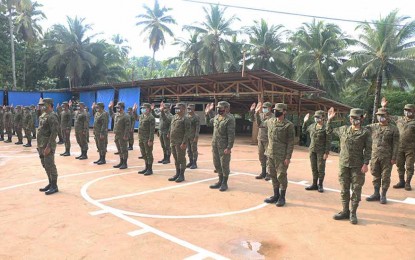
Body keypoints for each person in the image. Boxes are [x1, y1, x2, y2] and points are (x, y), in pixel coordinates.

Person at [327, 107, 372, 225]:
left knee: (356, 190)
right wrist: (329, 119)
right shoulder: (343, 129)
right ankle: (345, 211)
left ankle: (353, 213)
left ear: (361, 119)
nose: (353, 120)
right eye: (352, 118)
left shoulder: (365, 132)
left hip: (358, 166)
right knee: (344, 189)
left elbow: (368, 149)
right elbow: (329, 131)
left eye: (356, 118)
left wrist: (366, 163)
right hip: (344, 164)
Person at [365, 107, 399, 204]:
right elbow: (361, 128)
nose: (380, 117)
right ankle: (376, 194)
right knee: (375, 175)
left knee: (385, 176)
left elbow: (396, 144)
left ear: (387, 117)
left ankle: (383, 195)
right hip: (375, 155)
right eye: (379, 116)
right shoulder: (373, 127)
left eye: (382, 116)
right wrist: (362, 118)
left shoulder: (393, 129)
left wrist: (394, 157)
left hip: (387, 157)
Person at [263, 103, 295, 207]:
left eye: (278, 110)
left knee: (281, 176)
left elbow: (290, 143)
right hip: (270, 153)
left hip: (281, 156)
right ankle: (275, 195)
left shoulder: (288, 125)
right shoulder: (270, 121)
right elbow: (260, 124)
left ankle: (282, 197)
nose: (275, 111)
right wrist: (255, 113)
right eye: (275, 110)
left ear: (284, 111)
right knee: (273, 175)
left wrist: (288, 157)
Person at [382, 98, 415, 191]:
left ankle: (408, 183)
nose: (407, 112)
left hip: (411, 148)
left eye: (409, 110)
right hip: (399, 147)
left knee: (409, 166)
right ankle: (401, 181)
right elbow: (386, 116)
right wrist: (383, 107)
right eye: (405, 110)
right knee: (399, 165)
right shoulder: (399, 119)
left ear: (413, 111)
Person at [205, 101, 235, 192]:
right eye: (217, 108)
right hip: (215, 144)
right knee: (216, 163)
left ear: (226, 108)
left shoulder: (230, 119)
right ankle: (220, 180)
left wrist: (229, 147)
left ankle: (224, 182)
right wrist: (207, 114)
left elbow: (231, 134)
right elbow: (209, 123)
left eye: (220, 108)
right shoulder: (217, 117)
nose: (218, 109)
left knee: (224, 164)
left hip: (224, 146)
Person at [302, 110, 331, 192]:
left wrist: (326, 152)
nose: (316, 118)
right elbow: (304, 132)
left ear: (323, 118)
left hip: (321, 151)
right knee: (314, 167)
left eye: (318, 117)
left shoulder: (326, 128)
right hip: (312, 150)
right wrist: (304, 122)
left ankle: (320, 185)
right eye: (315, 117)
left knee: (320, 168)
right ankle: (314, 184)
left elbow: (328, 141)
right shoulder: (312, 126)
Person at [37, 98, 60, 195]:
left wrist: (49, 146)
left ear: (49, 105)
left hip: (47, 145)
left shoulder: (52, 116)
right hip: (41, 144)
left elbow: (54, 132)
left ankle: (54, 186)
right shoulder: (43, 115)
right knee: (45, 165)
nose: (42, 106)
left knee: (50, 165)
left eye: (43, 104)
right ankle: (50, 183)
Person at [249, 101, 274, 180]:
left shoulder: (272, 117)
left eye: (265, 108)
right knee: (261, 156)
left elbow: (261, 124)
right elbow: (252, 119)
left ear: (270, 108)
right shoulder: (260, 115)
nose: (264, 109)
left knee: (268, 156)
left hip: (268, 139)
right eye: (263, 108)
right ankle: (263, 172)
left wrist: (257, 114)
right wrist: (252, 111)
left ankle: (269, 173)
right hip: (260, 138)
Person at [168, 103, 190, 182]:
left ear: (183, 109)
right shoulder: (174, 117)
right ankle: (177, 173)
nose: (176, 109)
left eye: (178, 108)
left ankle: (181, 175)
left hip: (180, 142)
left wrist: (184, 143)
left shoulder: (186, 118)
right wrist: (169, 133)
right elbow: (171, 127)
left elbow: (187, 132)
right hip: (173, 141)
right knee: (176, 158)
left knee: (181, 159)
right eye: (176, 108)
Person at [134, 103, 155, 175]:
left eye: (144, 108)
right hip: (141, 138)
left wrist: (150, 140)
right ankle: (146, 167)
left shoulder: (151, 117)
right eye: (142, 108)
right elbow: (136, 118)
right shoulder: (142, 116)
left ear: (148, 109)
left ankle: (150, 169)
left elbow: (152, 130)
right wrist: (134, 111)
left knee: (148, 153)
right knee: (143, 153)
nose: (142, 109)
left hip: (147, 138)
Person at [110, 101, 130, 169]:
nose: (117, 108)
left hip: (123, 135)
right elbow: (112, 115)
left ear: (122, 108)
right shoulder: (117, 114)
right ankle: (121, 162)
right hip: (117, 134)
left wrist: (126, 135)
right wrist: (110, 108)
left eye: (118, 107)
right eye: (117, 107)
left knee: (124, 149)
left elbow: (128, 127)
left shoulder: (126, 116)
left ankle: (125, 163)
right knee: (119, 149)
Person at [186, 104, 201, 169]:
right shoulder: (186, 116)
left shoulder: (196, 117)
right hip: (187, 136)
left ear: (193, 109)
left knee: (194, 149)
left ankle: (194, 163)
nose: (188, 110)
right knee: (189, 150)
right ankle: (191, 161)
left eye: (190, 109)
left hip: (193, 136)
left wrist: (196, 136)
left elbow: (197, 127)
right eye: (188, 109)